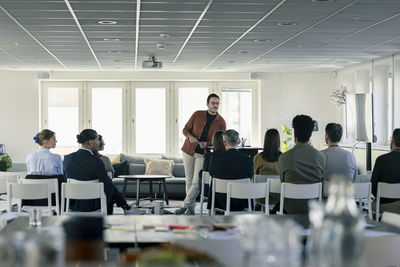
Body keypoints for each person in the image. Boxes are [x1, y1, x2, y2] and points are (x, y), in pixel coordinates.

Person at [63, 129, 144, 215]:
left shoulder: (67, 159)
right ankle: (126, 208)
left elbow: (66, 179)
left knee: (109, 185)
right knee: (110, 187)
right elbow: (108, 187)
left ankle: (126, 207)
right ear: (90, 142)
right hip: (93, 206)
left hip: (73, 204)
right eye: (97, 139)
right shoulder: (97, 161)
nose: (99, 142)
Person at [175, 93, 226, 215]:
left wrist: (207, 144)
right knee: (189, 180)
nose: (215, 105)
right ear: (207, 104)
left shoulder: (221, 122)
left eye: (217, 103)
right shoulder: (197, 114)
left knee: (196, 182)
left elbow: (220, 141)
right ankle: (190, 209)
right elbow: (185, 129)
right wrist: (190, 136)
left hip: (203, 154)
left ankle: (186, 204)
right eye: (213, 103)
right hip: (188, 151)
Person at [278, 115, 326, 214]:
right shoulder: (320, 156)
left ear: (294, 133)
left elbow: (283, 182)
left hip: (290, 209)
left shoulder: (283, 158)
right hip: (313, 209)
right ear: (311, 134)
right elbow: (322, 182)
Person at [208, 129, 253, 212]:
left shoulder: (215, 158)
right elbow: (249, 178)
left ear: (224, 142)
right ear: (239, 141)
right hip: (241, 200)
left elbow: (212, 174)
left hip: (220, 201)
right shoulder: (248, 160)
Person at [25, 129, 65, 206]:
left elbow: (30, 175)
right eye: (54, 139)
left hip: (33, 198)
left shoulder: (29, 157)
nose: (56, 141)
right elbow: (61, 176)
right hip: (53, 199)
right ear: (45, 141)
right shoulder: (56, 158)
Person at [371, 128, 400, 215]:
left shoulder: (381, 160)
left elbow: (373, 188)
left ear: (393, 140)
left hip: (384, 205)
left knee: (371, 205)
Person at [253, 129, 281, 208]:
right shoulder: (283, 158)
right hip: (279, 199)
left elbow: (254, 178)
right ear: (278, 141)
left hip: (261, 198)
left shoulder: (257, 158)